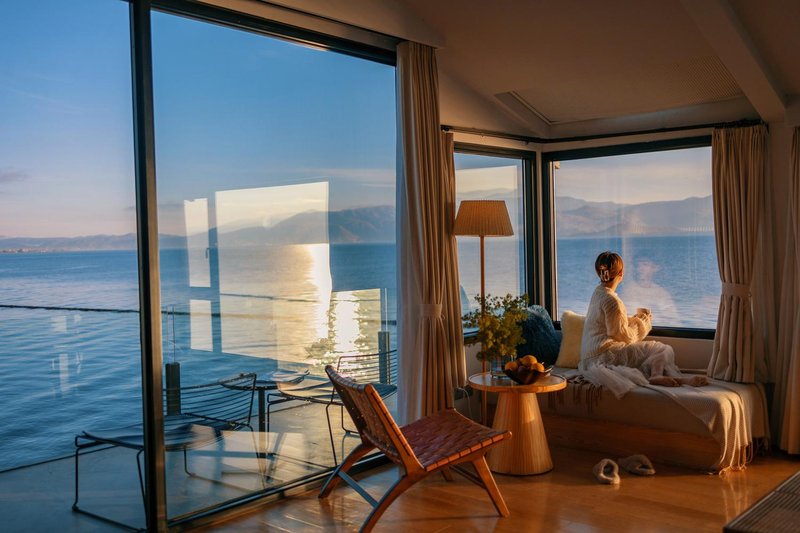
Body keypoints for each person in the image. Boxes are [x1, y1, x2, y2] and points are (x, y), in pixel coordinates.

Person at [578, 251, 708, 394]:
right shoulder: (612, 300)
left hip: (590, 358)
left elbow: (609, 323)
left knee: (646, 356)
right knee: (662, 349)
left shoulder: (598, 293)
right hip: (606, 357)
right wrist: (644, 323)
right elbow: (624, 336)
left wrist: (633, 319)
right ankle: (656, 375)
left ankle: (676, 379)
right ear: (621, 273)